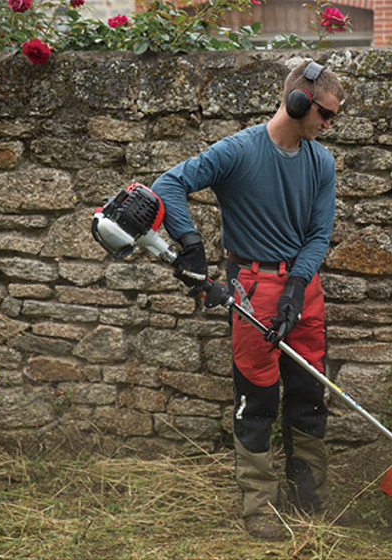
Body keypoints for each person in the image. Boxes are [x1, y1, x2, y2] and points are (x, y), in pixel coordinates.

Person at [151, 59, 345, 540]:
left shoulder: (321, 161)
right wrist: (192, 245)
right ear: (298, 102)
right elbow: (168, 185)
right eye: (325, 114)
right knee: (256, 399)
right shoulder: (238, 151)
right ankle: (260, 505)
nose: (328, 124)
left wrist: (299, 285)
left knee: (308, 395)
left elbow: (320, 233)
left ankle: (307, 492)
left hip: (304, 289)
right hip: (253, 288)